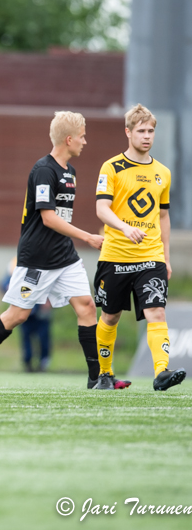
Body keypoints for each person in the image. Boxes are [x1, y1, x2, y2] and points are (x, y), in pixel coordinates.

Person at [0, 111, 124, 390]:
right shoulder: (44, 170)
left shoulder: (70, 172)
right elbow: (48, 218)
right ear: (69, 139)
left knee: (86, 307)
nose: (85, 141)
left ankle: (97, 378)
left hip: (65, 256)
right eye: (82, 137)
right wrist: (87, 236)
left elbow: (61, 219)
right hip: (37, 258)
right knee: (18, 315)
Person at [92, 104, 185, 391]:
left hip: (150, 257)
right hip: (116, 256)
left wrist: (166, 258)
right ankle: (105, 374)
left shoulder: (163, 173)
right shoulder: (111, 167)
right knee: (110, 316)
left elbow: (164, 216)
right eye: (141, 131)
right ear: (128, 132)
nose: (147, 136)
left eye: (151, 131)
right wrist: (124, 227)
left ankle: (161, 373)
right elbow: (101, 208)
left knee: (156, 312)